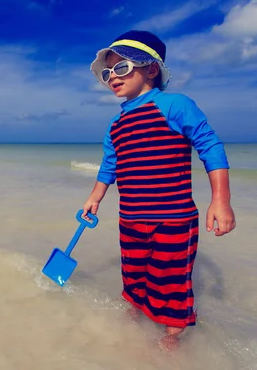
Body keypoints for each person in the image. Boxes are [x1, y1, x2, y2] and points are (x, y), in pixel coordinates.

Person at [81, 30, 236, 350]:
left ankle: (173, 333)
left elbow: (210, 146)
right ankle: (137, 310)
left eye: (122, 68)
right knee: (134, 271)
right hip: (131, 217)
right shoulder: (116, 124)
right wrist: (95, 198)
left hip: (173, 218)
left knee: (171, 278)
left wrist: (220, 201)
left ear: (151, 69)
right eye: (108, 73)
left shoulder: (175, 105)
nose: (113, 78)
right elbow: (109, 165)